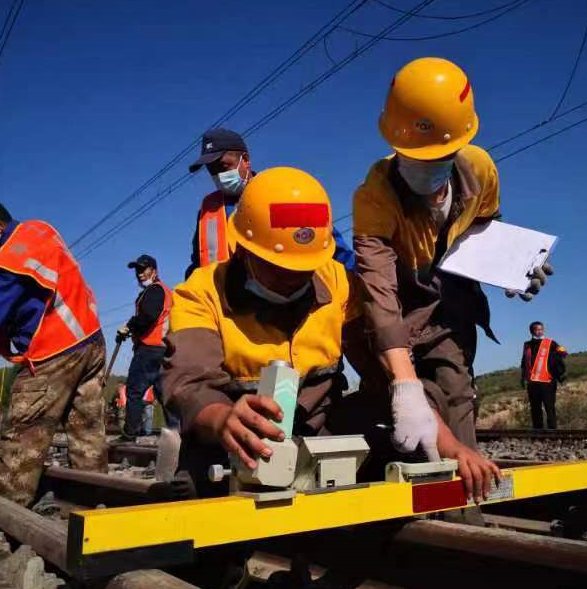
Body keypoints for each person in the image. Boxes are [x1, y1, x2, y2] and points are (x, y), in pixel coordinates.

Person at [346, 57, 552, 503]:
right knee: (394, 404)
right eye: (416, 158)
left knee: (454, 396)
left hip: (452, 300)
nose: (427, 167)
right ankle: (389, 505)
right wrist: (403, 383)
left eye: (440, 157)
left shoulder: (480, 170)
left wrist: (512, 268)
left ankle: (460, 514)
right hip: (396, 306)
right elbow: (380, 296)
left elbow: (486, 230)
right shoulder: (373, 196)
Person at [163, 167, 353, 498]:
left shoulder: (337, 280)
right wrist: (221, 419)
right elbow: (188, 382)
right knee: (194, 496)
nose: (292, 279)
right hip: (231, 438)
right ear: (243, 250)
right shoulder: (199, 293)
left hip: (318, 429)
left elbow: (382, 355)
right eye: (278, 269)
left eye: (302, 270)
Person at [0, 203, 107, 506]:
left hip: (55, 349)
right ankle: (93, 504)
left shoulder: (9, 258)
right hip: (91, 340)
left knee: (23, 435)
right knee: (88, 432)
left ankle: (8, 515)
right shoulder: (40, 229)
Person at [185, 128, 355, 280]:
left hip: (292, 302)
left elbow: (329, 244)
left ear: (245, 160)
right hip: (228, 309)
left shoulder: (283, 192)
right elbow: (198, 264)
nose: (218, 175)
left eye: (224, 166)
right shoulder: (208, 211)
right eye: (212, 170)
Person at [116, 254, 179, 441]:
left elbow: (149, 315)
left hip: (148, 350)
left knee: (134, 392)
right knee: (165, 394)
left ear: (154, 270)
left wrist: (129, 326)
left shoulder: (155, 291)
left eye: (143, 269)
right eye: (137, 270)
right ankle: (177, 433)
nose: (139, 274)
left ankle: (129, 435)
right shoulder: (164, 291)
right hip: (163, 350)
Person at [520, 321, 567, 429]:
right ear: (532, 331)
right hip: (532, 383)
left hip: (547, 382)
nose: (540, 332)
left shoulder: (550, 343)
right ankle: (538, 432)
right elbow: (524, 362)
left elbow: (563, 351)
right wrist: (522, 378)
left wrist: (560, 354)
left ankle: (552, 431)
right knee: (535, 409)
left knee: (549, 408)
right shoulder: (527, 345)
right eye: (537, 329)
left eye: (541, 329)